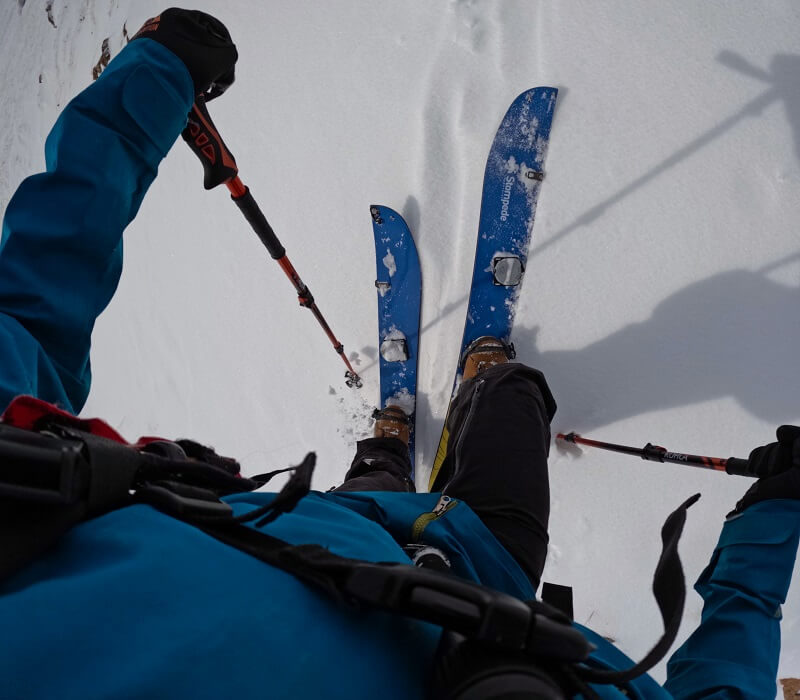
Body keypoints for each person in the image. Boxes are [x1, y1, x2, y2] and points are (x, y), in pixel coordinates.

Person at [0, 9, 798, 699]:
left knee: (380, 471)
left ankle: (391, 435)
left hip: (325, 523)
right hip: (493, 575)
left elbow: (29, 309)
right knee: (514, 402)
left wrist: (154, 81)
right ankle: (487, 376)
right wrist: (771, 520)